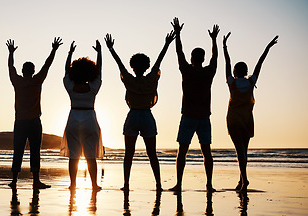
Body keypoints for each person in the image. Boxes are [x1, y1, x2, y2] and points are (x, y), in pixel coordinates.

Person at [104, 31, 175, 191]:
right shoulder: (151, 80)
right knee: (152, 154)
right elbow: (159, 61)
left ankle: (126, 184)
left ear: (133, 66)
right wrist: (167, 44)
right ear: (147, 66)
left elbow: (120, 65)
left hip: (133, 115)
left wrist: (111, 49)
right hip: (147, 116)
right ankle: (158, 185)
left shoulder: (129, 80)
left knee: (129, 153)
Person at [169, 17, 220, 192]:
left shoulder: (187, 70)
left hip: (189, 117)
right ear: (203, 58)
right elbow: (215, 57)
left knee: (182, 151)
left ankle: (179, 183)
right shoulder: (208, 71)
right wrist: (214, 40)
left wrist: (178, 33)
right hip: (204, 118)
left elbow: (179, 52)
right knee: (207, 152)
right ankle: (209, 184)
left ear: (192, 58)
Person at [223, 33, 278, 191]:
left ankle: (244, 180)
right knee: (243, 151)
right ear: (246, 71)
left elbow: (227, 61)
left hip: (234, 120)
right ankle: (241, 181)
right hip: (247, 120)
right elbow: (260, 62)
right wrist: (267, 47)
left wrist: (224, 46)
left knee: (240, 151)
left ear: (235, 72)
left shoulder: (232, 82)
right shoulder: (251, 81)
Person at [6, 37, 63, 189]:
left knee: (18, 151)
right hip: (34, 122)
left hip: (20, 121)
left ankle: (14, 181)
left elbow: (10, 67)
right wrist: (54, 50)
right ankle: (36, 181)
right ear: (32, 71)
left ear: (23, 71)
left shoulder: (17, 81)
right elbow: (47, 65)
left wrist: (11, 53)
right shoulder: (37, 80)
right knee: (35, 152)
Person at [60, 40, 103, 191]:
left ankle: (73, 184)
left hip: (73, 119)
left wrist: (69, 54)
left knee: (74, 155)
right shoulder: (93, 88)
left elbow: (66, 72)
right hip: (89, 118)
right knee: (90, 156)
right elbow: (99, 72)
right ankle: (94, 185)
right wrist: (99, 53)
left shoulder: (70, 87)